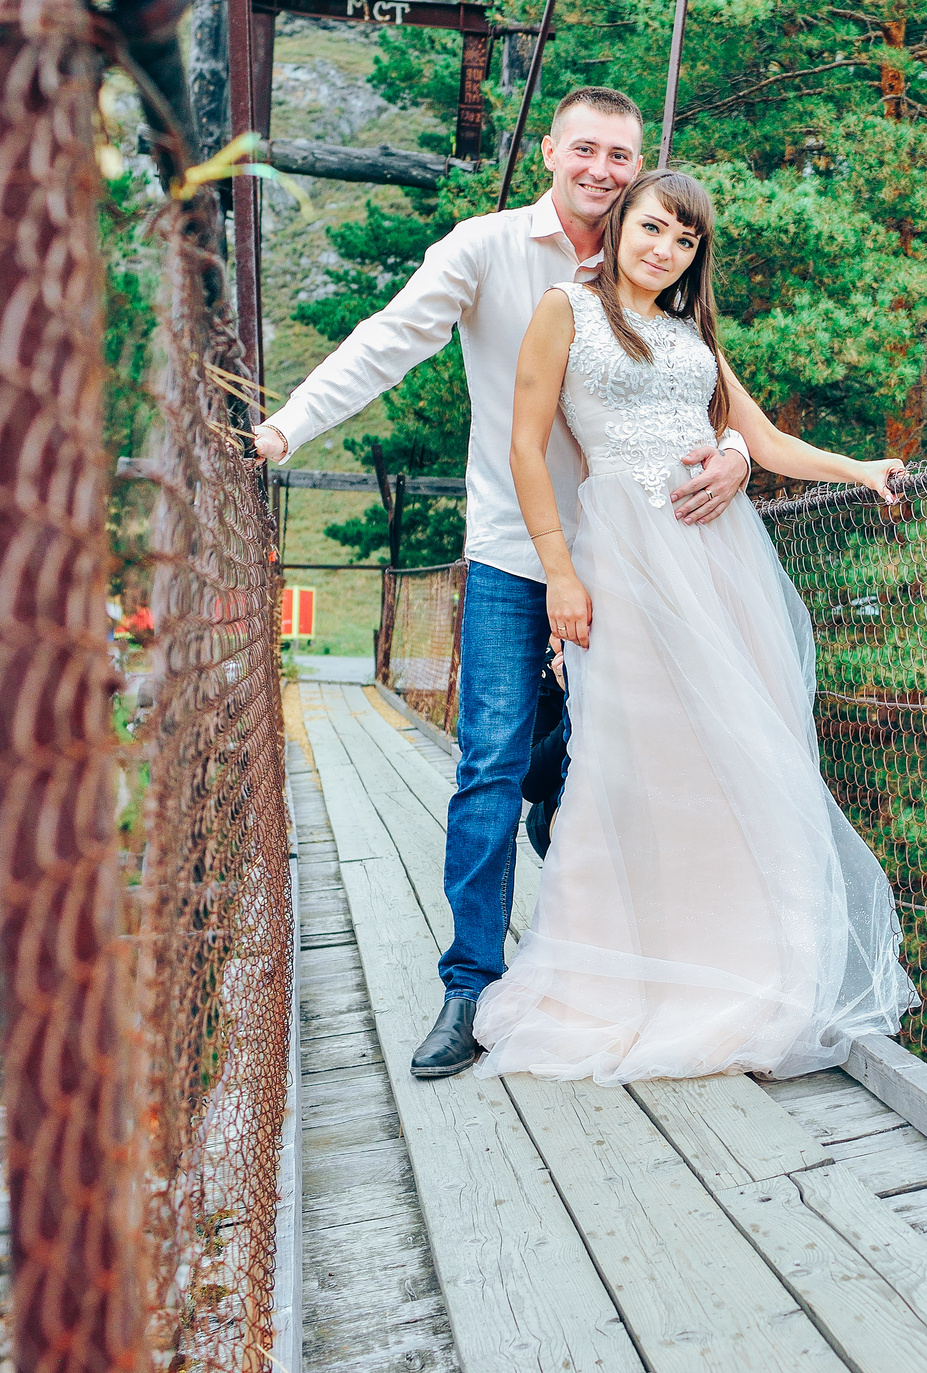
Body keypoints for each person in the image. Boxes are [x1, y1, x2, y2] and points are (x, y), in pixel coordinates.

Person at [251, 88, 755, 1078]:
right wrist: (283, 430)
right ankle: (470, 982)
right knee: (488, 757)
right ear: (551, 153)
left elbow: (707, 386)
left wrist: (735, 450)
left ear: (638, 167)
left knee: (624, 758)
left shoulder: (655, 258)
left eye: (622, 156)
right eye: (586, 150)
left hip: (636, 561)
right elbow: (388, 341)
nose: (603, 170)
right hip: (516, 553)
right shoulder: (486, 250)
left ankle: (614, 937)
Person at [475, 168, 916, 1082]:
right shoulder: (565, 309)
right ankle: (617, 974)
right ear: (619, 226)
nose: (666, 249)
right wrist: (560, 573)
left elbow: (768, 439)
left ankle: (732, 966)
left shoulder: (691, 336)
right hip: (625, 558)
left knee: (729, 756)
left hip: (719, 562)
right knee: (626, 760)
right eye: (653, 228)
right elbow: (525, 445)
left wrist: (860, 468)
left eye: (685, 240)